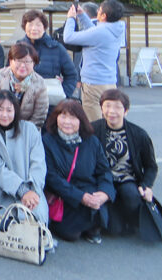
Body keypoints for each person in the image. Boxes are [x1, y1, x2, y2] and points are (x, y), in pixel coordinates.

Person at [0, 91, 48, 242]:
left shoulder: (30, 129)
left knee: (36, 221)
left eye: (9, 110)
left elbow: (39, 164)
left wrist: (31, 190)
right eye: (0, 109)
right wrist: (21, 190)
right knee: (1, 224)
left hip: (32, 188)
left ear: (16, 110)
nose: (4, 114)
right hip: (2, 189)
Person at [42, 99, 114, 243]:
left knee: (113, 225)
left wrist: (104, 193)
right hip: (64, 194)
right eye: (63, 116)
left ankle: (93, 223)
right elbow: (51, 177)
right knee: (70, 234)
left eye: (72, 117)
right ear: (56, 118)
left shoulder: (91, 141)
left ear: (81, 120)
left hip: (89, 189)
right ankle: (90, 224)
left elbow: (104, 171)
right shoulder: (47, 141)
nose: (67, 121)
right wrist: (81, 197)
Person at [92, 89, 158, 236]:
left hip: (127, 180)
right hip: (103, 181)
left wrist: (146, 186)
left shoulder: (139, 134)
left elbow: (151, 166)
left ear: (126, 111)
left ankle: (130, 218)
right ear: (101, 108)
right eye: (107, 106)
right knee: (113, 231)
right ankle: (114, 217)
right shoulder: (93, 129)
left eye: (117, 107)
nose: (111, 111)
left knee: (131, 196)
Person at [63, 0, 126, 122]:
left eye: (100, 10)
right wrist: (82, 15)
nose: (97, 12)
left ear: (104, 16)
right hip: (110, 82)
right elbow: (94, 32)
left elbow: (68, 37)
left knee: (94, 122)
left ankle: (97, 141)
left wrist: (71, 19)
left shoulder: (100, 32)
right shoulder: (117, 29)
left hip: (93, 84)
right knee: (108, 119)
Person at [0, 42, 49, 131]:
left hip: (25, 134)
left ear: (34, 63)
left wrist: (22, 136)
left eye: (27, 62)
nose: (22, 65)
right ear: (10, 61)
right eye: (19, 61)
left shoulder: (39, 83)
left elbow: (39, 118)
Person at [21, 9, 79, 101]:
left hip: (49, 101)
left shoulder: (56, 48)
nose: (34, 28)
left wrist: (63, 94)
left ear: (44, 27)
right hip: (23, 101)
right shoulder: (19, 47)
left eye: (38, 25)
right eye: (30, 24)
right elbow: (10, 74)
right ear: (24, 27)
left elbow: (71, 75)